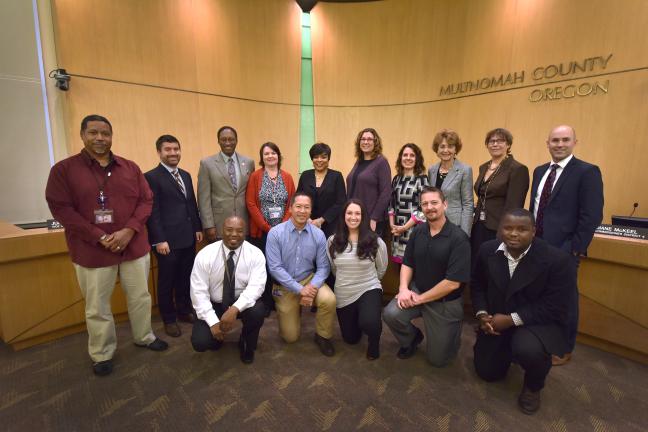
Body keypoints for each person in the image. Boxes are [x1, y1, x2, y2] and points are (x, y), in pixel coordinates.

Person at [45, 114, 167, 377]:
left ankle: (144, 336)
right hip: (92, 251)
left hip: (133, 246)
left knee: (140, 297)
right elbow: (61, 209)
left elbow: (146, 201)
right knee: (97, 305)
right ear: (82, 135)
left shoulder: (130, 168)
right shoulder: (63, 170)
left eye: (105, 133)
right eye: (93, 133)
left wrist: (128, 230)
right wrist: (98, 235)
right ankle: (102, 353)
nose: (100, 138)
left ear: (112, 136)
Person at [471, 209, 574, 414]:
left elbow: (554, 306)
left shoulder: (556, 260)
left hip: (535, 323)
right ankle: (506, 350)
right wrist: (482, 314)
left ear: (534, 231)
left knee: (528, 350)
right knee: (487, 372)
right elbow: (478, 285)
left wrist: (511, 320)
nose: (514, 234)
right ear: (500, 229)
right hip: (497, 318)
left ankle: (533, 386)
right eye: (508, 228)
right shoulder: (487, 250)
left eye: (522, 229)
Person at [529, 125, 603, 365]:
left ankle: (563, 348)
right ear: (547, 143)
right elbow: (535, 208)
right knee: (538, 294)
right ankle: (538, 337)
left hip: (565, 250)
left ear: (574, 142)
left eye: (565, 140)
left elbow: (591, 216)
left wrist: (574, 249)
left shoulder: (587, 172)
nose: (559, 144)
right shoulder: (540, 171)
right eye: (555, 140)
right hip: (536, 246)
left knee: (566, 299)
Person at [383, 187, 471, 366]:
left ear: (445, 204)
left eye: (434, 202)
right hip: (417, 291)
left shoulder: (458, 238)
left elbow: (452, 284)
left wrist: (419, 299)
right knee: (391, 314)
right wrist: (403, 289)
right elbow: (408, 263)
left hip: (444, 302)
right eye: (425, 204)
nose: (429, 207)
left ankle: (451, 335)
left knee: (439, 360)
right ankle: (412, 339)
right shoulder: (418, 231)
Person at [145, 135, 202, 337]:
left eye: (176, 149)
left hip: (187, 237)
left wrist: (197, 227)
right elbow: (153, 212)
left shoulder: (185, 175)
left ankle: (184, 310)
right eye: (167, 149)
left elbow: (190, 204)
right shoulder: (151, 177)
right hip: (166, 242)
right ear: (159, 152)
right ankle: (168, 318)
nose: (173, 153)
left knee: (185, 277)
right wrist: (159, 239)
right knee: (166, 281)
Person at [266, 192, 336, 356]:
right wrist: (299, 290)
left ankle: (323, 336)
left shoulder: (318, 234)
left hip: (309, 280)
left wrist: (311, 288)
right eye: (298, 206)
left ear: (311, 211)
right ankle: (293, 309)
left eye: (306, 207)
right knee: (290, 337)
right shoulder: (275, 233)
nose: (302, 211)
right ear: (290, 209)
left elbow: (323, 267)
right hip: (285, 284)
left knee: (329, 299)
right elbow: (275, 268)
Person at [189, 216, 267, 364]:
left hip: (242, 302)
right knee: (200, 343)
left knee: (257, 311)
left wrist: (234, 309)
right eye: (229, 230)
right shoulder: (206, 254)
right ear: (221, 231)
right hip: (215, 302)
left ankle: (246, 341)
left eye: (239, 231)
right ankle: (216, 337)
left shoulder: (255, 254)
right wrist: (212, 322)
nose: (234, 234)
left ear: (245, 233)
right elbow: (198, 292)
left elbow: (257, 287)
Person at [327, 199, 388, 360]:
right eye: (349, 213)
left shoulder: (376, 241)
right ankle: (361, 318)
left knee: (370, 322)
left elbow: (381, 268)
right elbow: (334, 268)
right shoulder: (332, 241)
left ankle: (373, 341)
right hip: (344, 293)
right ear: (343, 216)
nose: (353, 217)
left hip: (368, 288)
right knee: (351, 339)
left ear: (363, 217)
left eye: (357, 213)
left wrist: (371, 282)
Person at [246, 142, 296, 309]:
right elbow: (251, 203)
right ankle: (266, 302)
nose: (270, 156)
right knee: (263, 267)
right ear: (262, 158)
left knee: (280, 265)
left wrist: (281, 227)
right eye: (266, 153)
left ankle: (280, 301)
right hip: (262, 231)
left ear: (278, 155)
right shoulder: (255, 176)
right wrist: (267, 228)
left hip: (284, 231)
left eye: (273, 153)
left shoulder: (287, 177)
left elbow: (292, 203)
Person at [472, 128, 529, 261]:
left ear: (508, 145)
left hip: (498, 228)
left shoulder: (517, 169)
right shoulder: (484, 167)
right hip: (478, 226)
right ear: (487, 145)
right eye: (491, 141)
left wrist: (504, 231)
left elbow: (514, 206)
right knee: (477, 263)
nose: (495, 144)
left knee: (493, 264)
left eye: (500, 141)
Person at [198, 126, 255, 242]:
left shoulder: (248, 162)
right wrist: (209, 225)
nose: (227, 143)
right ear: (218, 141)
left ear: (236, 140)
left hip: (243, 224)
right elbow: (203, 198)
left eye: (231, 139)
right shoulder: (207, 164)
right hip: (219, 225)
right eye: (224, 139)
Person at [427, 129, 474, 235]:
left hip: (455, 225)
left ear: (455, 149)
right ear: (437, 149)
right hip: (434, 224)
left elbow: (468, 204)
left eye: (450, 146)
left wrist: (465, 234)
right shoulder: (432, 170)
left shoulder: (464, 170)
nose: (446, 150)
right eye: (442, 146)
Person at [388, 143, 429, 263]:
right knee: (401, 268)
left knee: (414, 267)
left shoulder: (422, 179)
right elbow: (391, 204)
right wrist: (392, 226)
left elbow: (424, 208)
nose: (408, 158)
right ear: (400, 158)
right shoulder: (396, 179)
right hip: (397, 231)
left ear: (417, 159)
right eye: (405, 155)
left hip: (414, 230)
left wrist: (405, 227)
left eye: (412, 155)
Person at [346, 128, 392, 235]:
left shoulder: (381, 162)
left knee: (369, 251)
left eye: (369, 139)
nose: (366, 142)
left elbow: (386, 193)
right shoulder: (359, 161)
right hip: (356, 218)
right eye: (363, 139)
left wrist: (374, 217)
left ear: (375, 142)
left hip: (371, 220)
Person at [297, 143, 346, 238]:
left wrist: (321, 220)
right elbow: (298, 199)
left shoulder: (337, 176)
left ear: (328, 159)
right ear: (312, 159)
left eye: (323, 157)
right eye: (316, 157)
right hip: (307, 223)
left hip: (331, 225)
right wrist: (308, 219)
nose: (319, 160)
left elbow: (341, 202)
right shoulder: (305, 175)